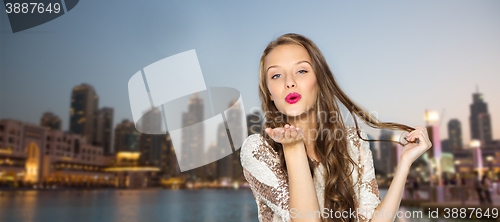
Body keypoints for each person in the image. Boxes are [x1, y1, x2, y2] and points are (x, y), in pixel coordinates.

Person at [240, 33, 433, 222]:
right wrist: (293, 148)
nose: (289, 82)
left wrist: (405, 164)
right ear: (270, 93)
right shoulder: (258, 149)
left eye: (301, 71)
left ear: (319, 79)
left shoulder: (352, 141)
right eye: (276, 75)